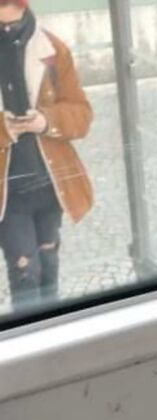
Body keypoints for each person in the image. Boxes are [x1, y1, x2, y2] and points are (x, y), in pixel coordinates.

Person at [0, 0, 93, 309]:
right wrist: (5, 128)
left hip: (52, 183)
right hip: (9, 193)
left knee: (49, 269)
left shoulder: (52, 50)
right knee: (25, 274)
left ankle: (54, 338)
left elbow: (82, 114)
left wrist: (46, 121)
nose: (8, 25)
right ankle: (32, 343)